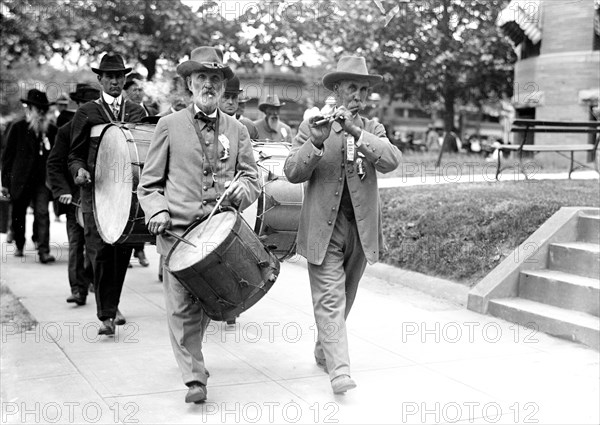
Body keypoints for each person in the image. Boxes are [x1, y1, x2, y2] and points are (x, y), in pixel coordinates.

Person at [138, 46, 260, 404]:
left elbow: (253, 178)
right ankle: (194, 378)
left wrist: (244, 189)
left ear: (223, 86)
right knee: (180, 307)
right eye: (202, 78)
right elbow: (149, 184)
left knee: (208, 303)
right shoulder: (168, 125)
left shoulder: (238, 129)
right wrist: (156, 210)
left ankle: (194, 357)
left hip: (222, 237)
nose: (209, 84)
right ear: (189, 82)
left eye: (215, 79)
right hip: (177, 235)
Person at [284, 55, 401, 394]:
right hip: (324, 230)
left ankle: (325, 349)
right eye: (353, 88)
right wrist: (316, 141)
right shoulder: (312, 125)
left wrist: (356, 130)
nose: (359, 97)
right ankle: (340, 371)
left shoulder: (372, 128)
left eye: (364, 90)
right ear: (336, 89)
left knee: (345, 297)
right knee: (331, 300)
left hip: (360, 231)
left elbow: (392, 160)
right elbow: (292, 172)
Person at [68, 52, 146, 335]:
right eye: (109, 76)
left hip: (127, 196)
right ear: (100, 79)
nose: (114, 81)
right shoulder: (86, 112)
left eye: (119, 76)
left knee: (121, 252)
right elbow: (74, 155)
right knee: (99, 252)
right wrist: (79, 171)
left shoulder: (137, 112)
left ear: (125, 79)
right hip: (95, 194)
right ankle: (106, 316)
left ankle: (112, 306)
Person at [47, 84, 99, 306]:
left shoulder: (103, 130)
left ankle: (94, 282)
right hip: (75, 199)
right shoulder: (66, 131)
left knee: (98, 246)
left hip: (100, 198)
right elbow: (54, 164)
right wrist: (63, 192)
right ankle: (78, 289)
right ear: (78, 106)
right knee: (77, 244)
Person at [1, 89, 57, 263]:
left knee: (42, 213)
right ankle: (19, 244)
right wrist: (4, 183)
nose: (41, 112)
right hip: (20, 180)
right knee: (19, 213)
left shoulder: (51, 130)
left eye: (43, 109)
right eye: (37, 109)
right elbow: (7, 157)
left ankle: (43, 250)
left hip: (42, 181)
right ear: (30, 109)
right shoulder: (18, 127)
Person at [219, 75, 259, 140]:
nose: (230, 102)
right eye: (226, 97)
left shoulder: (248, 127)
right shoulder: (209, 125)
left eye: (234, 97)